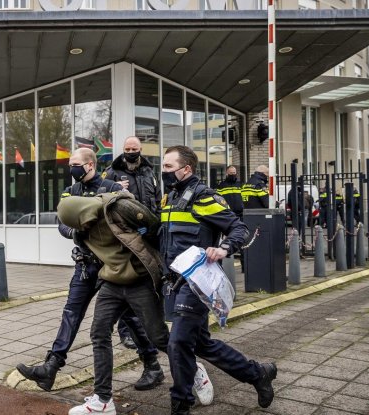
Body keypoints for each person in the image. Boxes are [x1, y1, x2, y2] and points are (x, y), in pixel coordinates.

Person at [16, 148, 165, 393]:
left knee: (129, 318)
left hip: (113, 266)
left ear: (90, 165)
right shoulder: (70, 192)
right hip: (85, 265)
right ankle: (51, 367)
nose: (71, 168)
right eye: (70, 164)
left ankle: (152, 365)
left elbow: (131, 220)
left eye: (75, 163)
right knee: (71, 313)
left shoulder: (114, 188)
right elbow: (62, 224)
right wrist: (76, 232)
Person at [159, 146, 277, 415]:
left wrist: (223, 249)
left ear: (185, 169)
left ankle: (180, 404)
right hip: (173, 283)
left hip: (195, 284)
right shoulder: (171, 197)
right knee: (200, 343)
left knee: (177, 343)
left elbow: (239, 227)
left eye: (168, 166)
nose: (163, 171)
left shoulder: (203, 197)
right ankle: (258, 374)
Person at [59, 192, 171, 415]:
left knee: (159, 337)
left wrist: (164, 272)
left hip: (140, 280)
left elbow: (157, 229)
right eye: (78, 226)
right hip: (111, 282)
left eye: (81, 222)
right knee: (99, 333)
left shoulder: (120, 209)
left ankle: (193, 371)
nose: (83, 227)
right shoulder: (82, 231)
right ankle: (103, 400)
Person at [102, 136, 161, 350]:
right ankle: (125, 332)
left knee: (145, 284)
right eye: (127, 148)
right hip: (125, 238)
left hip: (148, 233)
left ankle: (144, 330)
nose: (130, 151)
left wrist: (156, 226)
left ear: (140, 149)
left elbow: (156, 199)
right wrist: (114, 187)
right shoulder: (112, 171)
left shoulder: (148, 171)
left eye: (134, 148)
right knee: (127, 282)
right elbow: (101, 200)